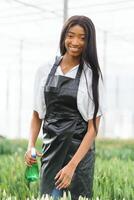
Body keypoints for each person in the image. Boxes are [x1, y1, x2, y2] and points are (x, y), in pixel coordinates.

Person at [24, 15, 104, 200]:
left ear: (89, 42)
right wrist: (30, 146)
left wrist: (71, 166)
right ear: (63, 37)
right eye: (71, 35)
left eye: (82, 38)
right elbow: (37, 114)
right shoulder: (44, 70)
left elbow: (93, 129)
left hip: (78, 157)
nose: (75, 42)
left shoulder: (90, 76)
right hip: (51, 154)